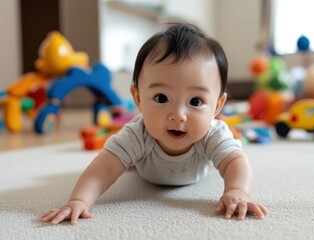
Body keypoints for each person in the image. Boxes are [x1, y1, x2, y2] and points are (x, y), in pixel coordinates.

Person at [41, 23, 268, 225]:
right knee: (120, 158)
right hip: (144, 168)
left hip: (200, 167)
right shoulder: (137, 133)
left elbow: (235, 162)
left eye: (196, 101)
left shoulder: (213, 133)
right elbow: (103, 168)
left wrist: (238, 191)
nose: (178, 115)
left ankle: (132, 157)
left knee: (231, 152)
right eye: (161, 98)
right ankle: (131, 159)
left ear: (217, 106)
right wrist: (79, 200)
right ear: (138, 99)